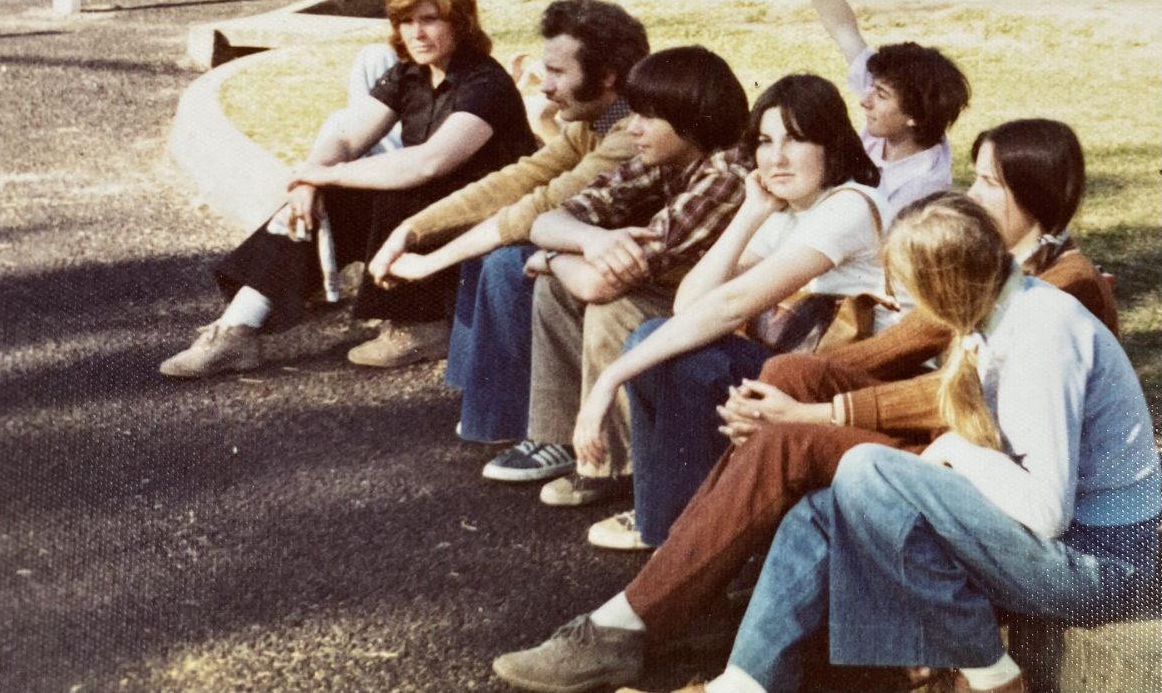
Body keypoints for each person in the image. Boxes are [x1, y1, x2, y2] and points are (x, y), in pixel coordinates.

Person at [490, 119, 1123, 693]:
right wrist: (781, 395)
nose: (970, 198)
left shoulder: (1063, 287)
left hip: (1005, 481)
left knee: (796, 439)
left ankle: (636, 616)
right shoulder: (996, 264)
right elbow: (897, 348)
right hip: (975, 455)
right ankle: (702, 593)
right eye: (974, 179)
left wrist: (820, 418)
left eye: (989, 184)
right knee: (792, 373)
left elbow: (949, 395)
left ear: (1034, 194)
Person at [635, 193, 1159, 693]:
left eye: (914, 291)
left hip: (1107, 570)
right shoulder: (1000, 308)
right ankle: (744, 682)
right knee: (824, 509)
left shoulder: (1044, 336)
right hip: (1068, 551)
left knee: (868, 469)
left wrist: (954, 450)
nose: (910, 306)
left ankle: (990, 670)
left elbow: (1046, 512)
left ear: (945, 285)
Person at [159, 0, 537, 378]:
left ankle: (422, 326)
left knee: (398, 187)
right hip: (433, 206)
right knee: (331, 195)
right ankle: (237, 331)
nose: (416, 33)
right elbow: (346, 135)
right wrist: (310, 178)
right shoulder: (410, 73)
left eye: (429, 20)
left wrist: (327, 175)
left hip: (485, 215)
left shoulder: (486, 84)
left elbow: (430, 162)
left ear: (459, 21)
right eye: (406, 21)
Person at [571, 74, 897, 550]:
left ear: (831, 143)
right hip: (790, 368)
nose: (777, 157)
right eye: (766, 142)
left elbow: (730, 306)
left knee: (671, 351)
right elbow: (691, 302)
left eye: (797, 139)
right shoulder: (788, 210)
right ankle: (668, 517)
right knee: (656, 338)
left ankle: (678, 534)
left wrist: (610, 378)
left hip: (839, 380)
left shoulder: (848, 205)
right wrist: (749, 213)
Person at [480, 47, 753, 501]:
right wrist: (589, 241)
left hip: (727, 318)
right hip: (679, 293)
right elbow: (548, 219)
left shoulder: (725, 175)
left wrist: (551, 257)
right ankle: (562, 439)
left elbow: (599, 283)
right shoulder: (667, 159)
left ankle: (614, 467)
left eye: (648, 116)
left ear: (689, 120)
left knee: (612, 304)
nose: (633, 128)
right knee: (557, 287)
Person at [358, 0, 647, 375]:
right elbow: (515, 180)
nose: (545, 86)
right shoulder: (589, 125)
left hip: (646, 277)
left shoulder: (633, 133)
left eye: (558, 73)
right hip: (602, 256)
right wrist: (411, 230)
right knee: (487, 249)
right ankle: (474, 401)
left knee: (507, 259)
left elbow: (544, 204)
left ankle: (508, 420)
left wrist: (431, 262)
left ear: (607, 76)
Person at [765, 0, 970, 211]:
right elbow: (842, 25)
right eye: (871, 88)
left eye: (880, 95)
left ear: (914, 117)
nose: (864, 101)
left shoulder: (922, 188)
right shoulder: (895, 125)